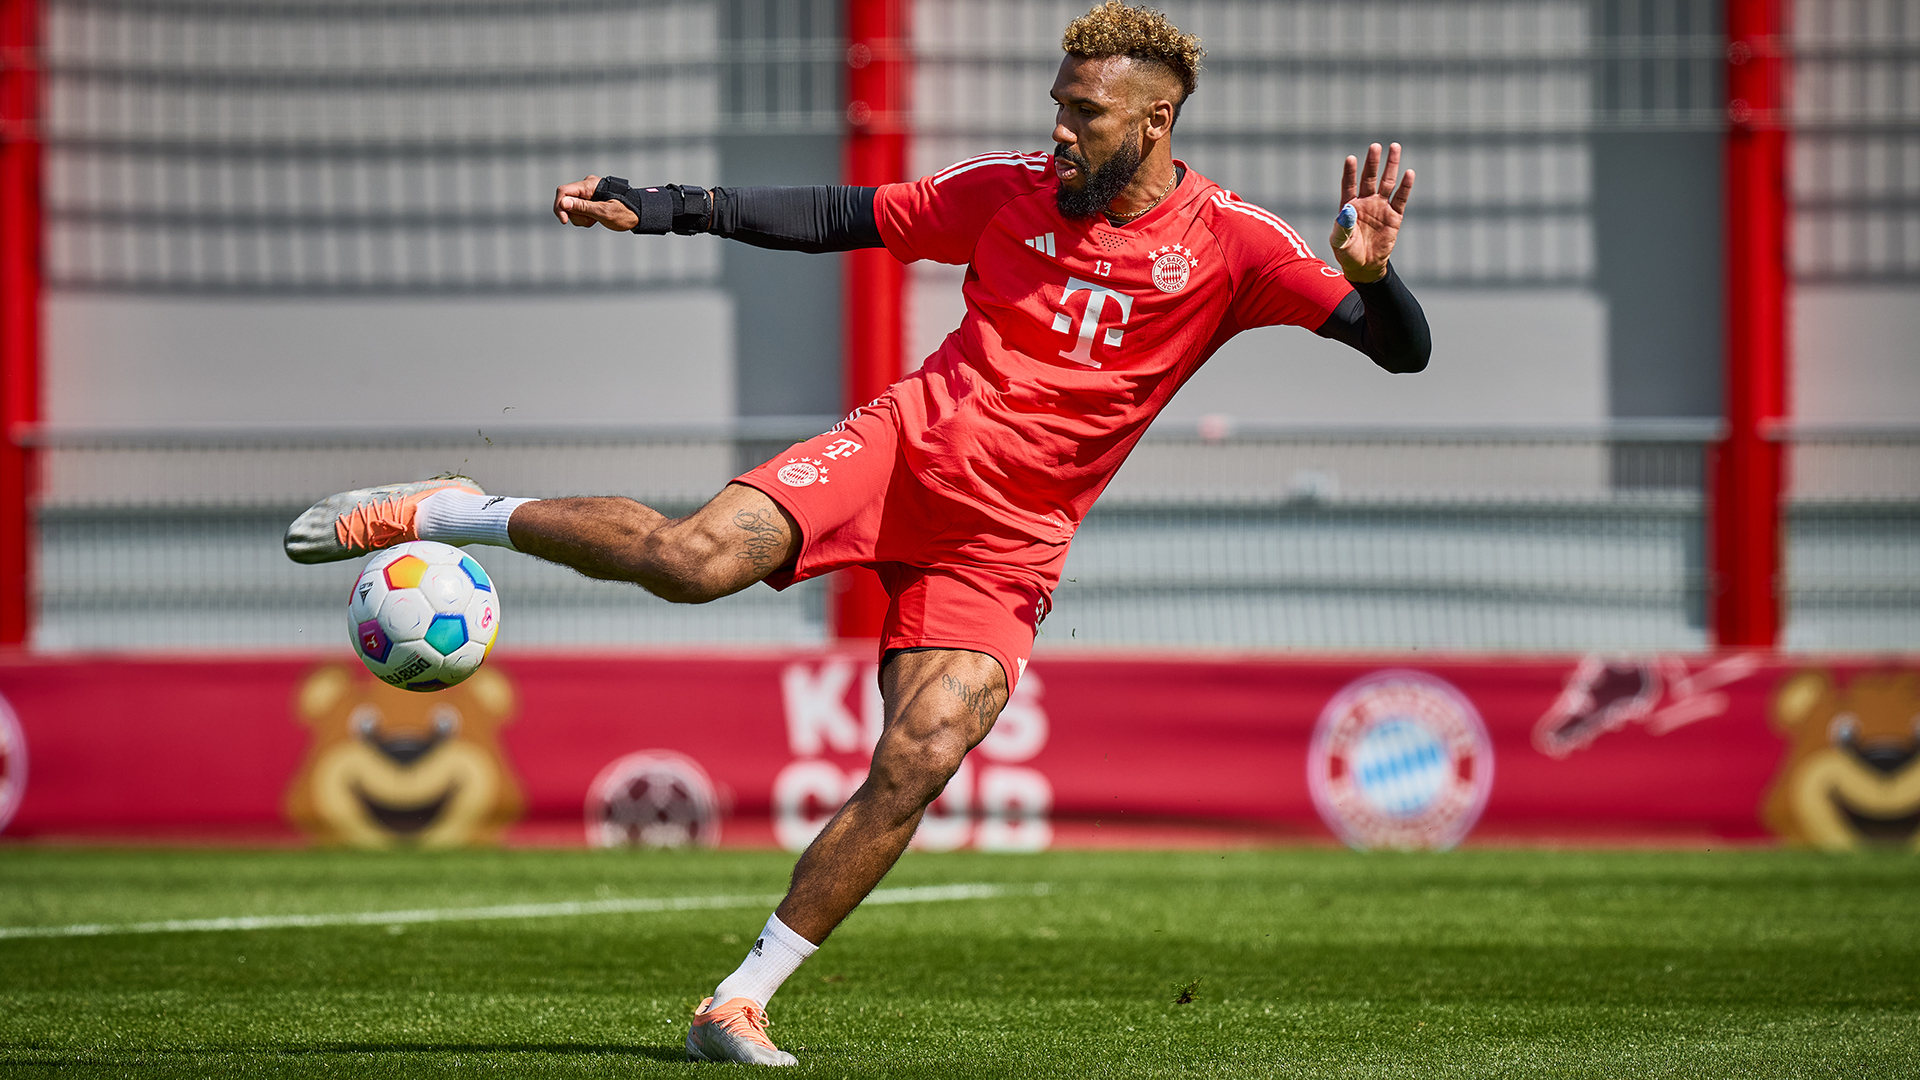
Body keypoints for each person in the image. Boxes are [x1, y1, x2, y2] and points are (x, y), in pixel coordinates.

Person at [284, 1, 1427, 1066]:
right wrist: (675, 205)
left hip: (1009, 544)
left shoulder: (1236, 244)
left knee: (924, 756)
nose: (1060, 131)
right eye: (1058, 104)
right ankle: (454, 510)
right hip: (900, 454)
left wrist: (1374, 278)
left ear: (1155, 120)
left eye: (1084, 114)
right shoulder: (1006, 189)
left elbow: (1400, 351)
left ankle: (740, 999)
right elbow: (849, 218)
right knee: (691, 564)